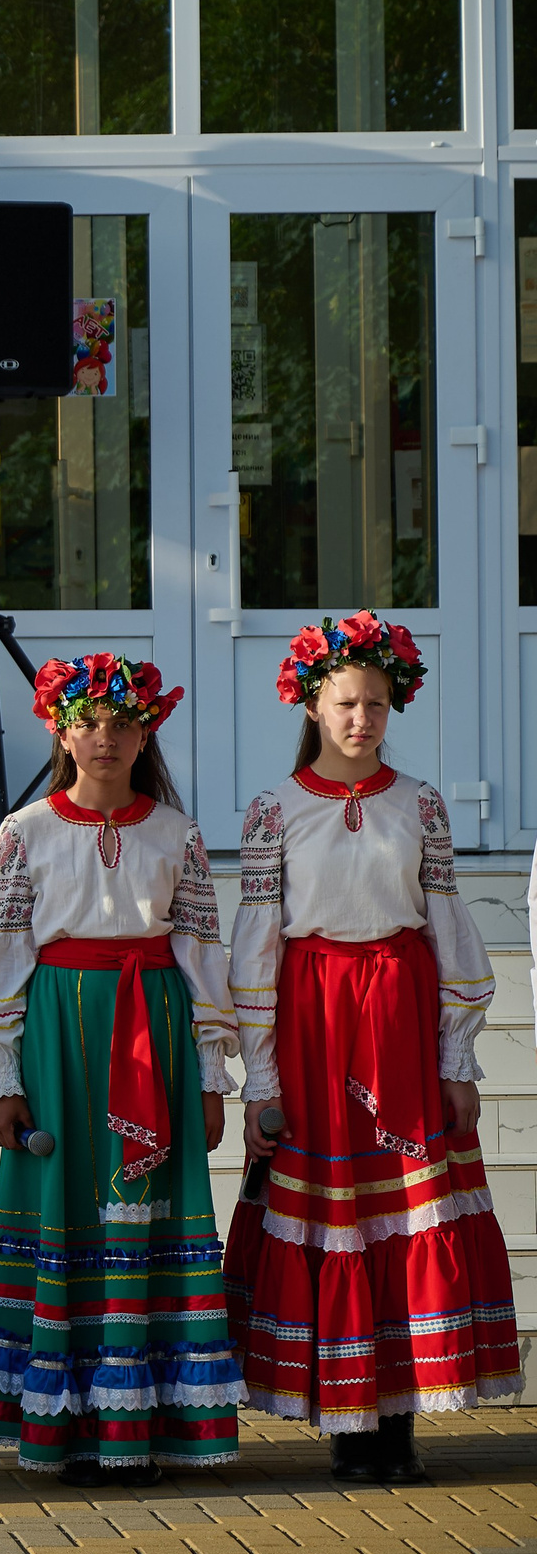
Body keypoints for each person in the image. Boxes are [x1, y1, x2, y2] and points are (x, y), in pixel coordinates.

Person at [226, 613, 520, 1481]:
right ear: (311, 703)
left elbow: (452, 930)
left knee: (402, 1208)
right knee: (340, 1216)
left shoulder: (419, 802)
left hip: (398, 1018)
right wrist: (260, 1079)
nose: (363, 719)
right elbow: (256, 949)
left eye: (379, 705)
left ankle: (398, 1418)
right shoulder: (274, 809)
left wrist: (456, 1058)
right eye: (347, 703)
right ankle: (348, 1418)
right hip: (315, 1022)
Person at [0, 654, 244, 1485]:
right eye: (86, 722)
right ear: (58, 727)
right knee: (67, 1211)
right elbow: (6, 951)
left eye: (122, 723)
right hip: (57, 1035)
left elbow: (200, 955)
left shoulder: (176, 833)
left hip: (151, 1027)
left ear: (147, 729)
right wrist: (2, 1078)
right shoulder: (26, 830)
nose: (104, 739)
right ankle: (69, 1428)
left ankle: (140, 1425)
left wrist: (210, 1076)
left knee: (144, 1217)